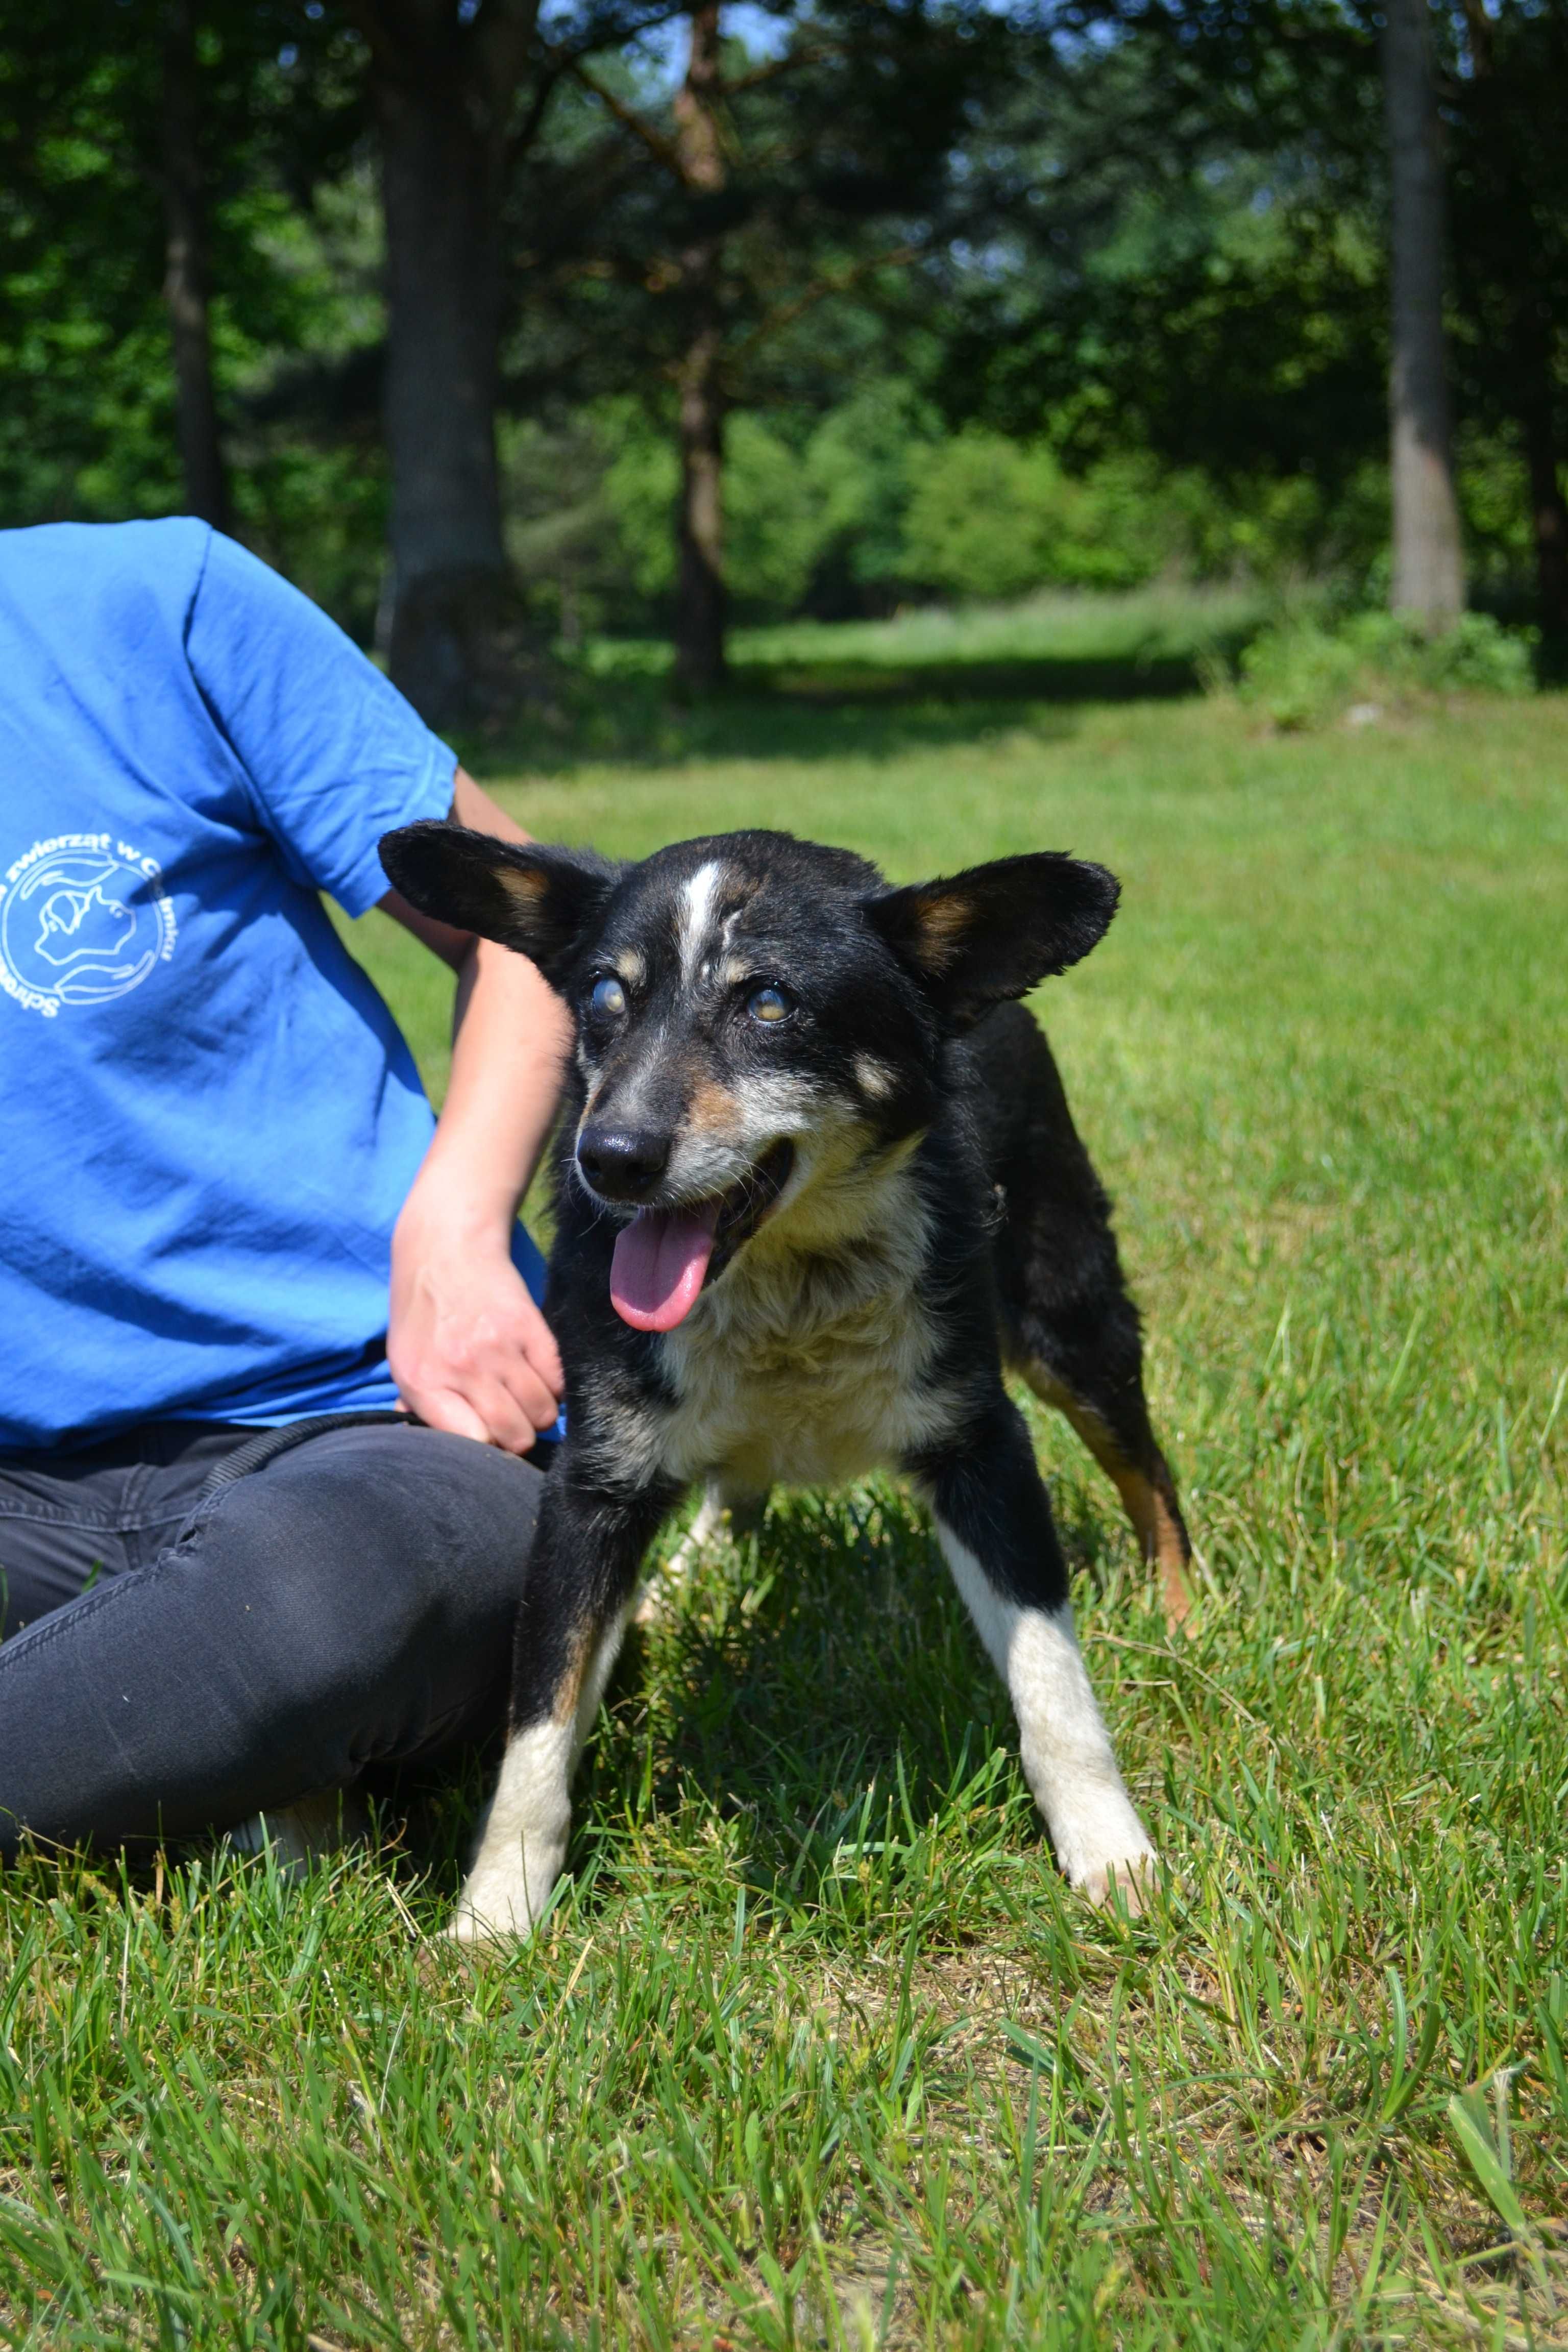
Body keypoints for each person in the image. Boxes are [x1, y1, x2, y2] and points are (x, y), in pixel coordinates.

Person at [0, 518, 573, 1866]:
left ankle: (176, 1731)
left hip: (365, 1430)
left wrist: (455, 1231)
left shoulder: (154, 604)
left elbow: (537, 936)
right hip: (24, 1483)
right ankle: (174, 1755)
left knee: (314, 1603)